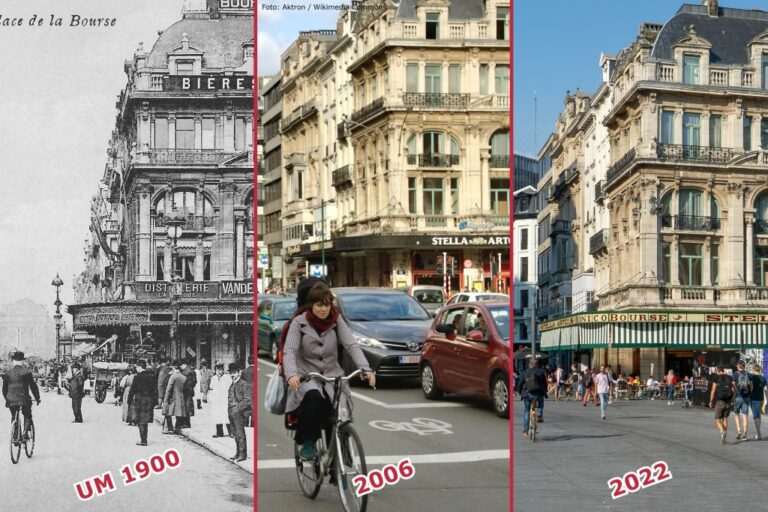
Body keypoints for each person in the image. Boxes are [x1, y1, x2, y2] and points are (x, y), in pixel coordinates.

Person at [284, 281, 375, 459]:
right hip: (307, 376)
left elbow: (351, 345)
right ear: (311, 305)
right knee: (314, 399)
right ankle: (308, 443)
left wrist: (365, 369)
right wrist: (291, 374)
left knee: (339, 415)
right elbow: (290, 351)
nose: (323, 309)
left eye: (326, 304)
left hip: (333, 376)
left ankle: (340, 461)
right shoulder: (298, 323)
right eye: (319, 305)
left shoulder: (336, 319)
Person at [2, 352, 40, 439]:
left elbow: (4, 389)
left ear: (13, 361)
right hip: (24, 399)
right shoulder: (26, 373)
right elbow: (33, 387)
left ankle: (15, 436)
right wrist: (37, 398)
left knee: (14, 415)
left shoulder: (8, 373)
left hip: (11, 399)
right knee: (27, 414)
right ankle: (25, 433)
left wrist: (7, 398)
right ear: (22, 361)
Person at [127, 360, 157, 446]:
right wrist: (154, 401)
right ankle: (145, 439)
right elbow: (155, 389)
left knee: (140, 420)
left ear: (140, 367)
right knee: (145, 420)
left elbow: (132, 390)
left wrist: (129, 400)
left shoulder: (137, 377)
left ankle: (143, 440)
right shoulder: (151, 376)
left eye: (137, 367)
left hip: (140, 400)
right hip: (149, 400)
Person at [516, 357, 547, 437]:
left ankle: (525, 431)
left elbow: (520, 383)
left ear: (530, 364)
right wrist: (545, 391)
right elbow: (544, 383)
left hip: (527, 394)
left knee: (526, 411)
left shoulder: (525, 372)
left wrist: (520, 392)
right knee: (541, 401)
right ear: (537, 364)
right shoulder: (541, 371)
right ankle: (539, 415)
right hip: (538, 393)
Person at [227, 363, 252, 462]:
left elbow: (247, 400)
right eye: (231, 373)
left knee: (240, 433)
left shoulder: (244, 384)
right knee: (235, 434)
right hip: (231, 412)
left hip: (238, 413)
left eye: (234, 373)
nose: (232, 375)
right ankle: (237, 453)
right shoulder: (232, 384)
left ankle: (243, 454)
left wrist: (238, 409)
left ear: (239, 373)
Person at [709, 365, 735, 444]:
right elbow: (734, 389)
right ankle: (724, 438)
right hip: (728, 401)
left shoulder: (716, 378)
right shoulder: (730, 377)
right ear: (723, 370)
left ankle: (722, 431)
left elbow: (713, 390)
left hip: (720, 401)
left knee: (717, 419)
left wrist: (711, 401)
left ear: (717, 371)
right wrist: (731, 398)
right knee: (725, 418)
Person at [162, 360, 187, 435]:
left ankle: (169, 428)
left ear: (174, 368)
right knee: (179, 413)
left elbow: (169, 388)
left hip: (173, 397)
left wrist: (166, 399)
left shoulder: (173, 377)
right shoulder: (184, 377)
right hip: (181, 397)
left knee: (169, 412)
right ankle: (177, 428)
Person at [209, 363, 233, 438]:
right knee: (217, 416)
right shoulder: (214, 378)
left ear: (223, 370)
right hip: (216, 400)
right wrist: (211, 398)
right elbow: (211, 388)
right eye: (217, 370)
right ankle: (219, 433)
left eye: (221, 369)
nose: (219, 371)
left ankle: (231, 432)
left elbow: (231, 388)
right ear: (216, 370)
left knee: (226, 416)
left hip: (224, 400)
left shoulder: (227, 378)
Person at [732, 362, 752, 441]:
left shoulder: (735, 374)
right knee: (745, 416)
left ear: (738, 366)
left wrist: (736, 391)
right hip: (746, 397)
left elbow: (733, 384)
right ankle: (745, 435)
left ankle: (739, 431)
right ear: (744, 366)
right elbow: (751, 387)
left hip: (738, 397)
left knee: (736, 414)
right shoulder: (749, 374)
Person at [749, 364, 767, 440]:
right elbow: (765, 389)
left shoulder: (752, 377)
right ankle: (758, 433)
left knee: (756, 417)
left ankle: (758, 433)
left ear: (753, 369)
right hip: (761, 399)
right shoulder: (763, 378)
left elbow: (751, 388)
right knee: (758, 416)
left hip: (754, 399)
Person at [181, 360, 197, 428]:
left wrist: (188, 387)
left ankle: (186, 423)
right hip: (187, 391)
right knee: (186, 406)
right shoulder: (188, 371)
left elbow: (192, 382)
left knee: (186, 407)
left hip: (187, 391)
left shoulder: (188, 372)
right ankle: (185, 422)